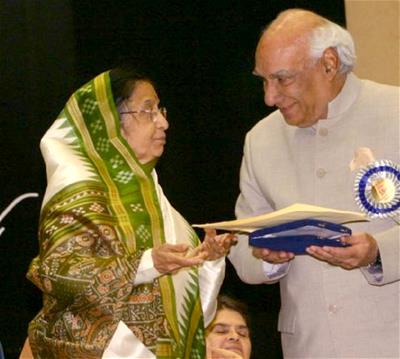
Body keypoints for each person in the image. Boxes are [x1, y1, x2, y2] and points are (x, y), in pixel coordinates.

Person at [26, 66, 235, 358]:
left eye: (161, 109)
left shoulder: (158, 202)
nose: (163, 122)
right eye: (147, 110)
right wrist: (149, 262)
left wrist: (209, 262)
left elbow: (188, 316)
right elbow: (60, 275)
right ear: (109, 121)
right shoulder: (78, 187)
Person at [228, 8, 399, 358]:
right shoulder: (260, 140)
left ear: (329, 64)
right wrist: (268, 257)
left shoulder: (395, 112)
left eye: (282, 79)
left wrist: (378, 252)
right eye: (263, 80)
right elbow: (242, 248)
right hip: (310, 345)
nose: (269, 97)